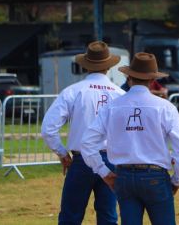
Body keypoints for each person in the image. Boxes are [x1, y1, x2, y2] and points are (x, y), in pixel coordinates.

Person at [81, 52, 179, 225]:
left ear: (129, 78)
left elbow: (87, 143)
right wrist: (177, 180)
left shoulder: (112, 106)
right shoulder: (165, 107)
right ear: (151, 80)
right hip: (155, 175)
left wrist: (103, 171)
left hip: (124, 175)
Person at [41, 41, 125, 225]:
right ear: (109, 66)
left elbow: (48, 129)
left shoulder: (73, 91)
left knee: (70, 217)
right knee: (109, 217)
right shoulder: (120, 94)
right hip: (111, 159)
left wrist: (62, 153)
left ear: (86, 65)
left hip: (81, 160)